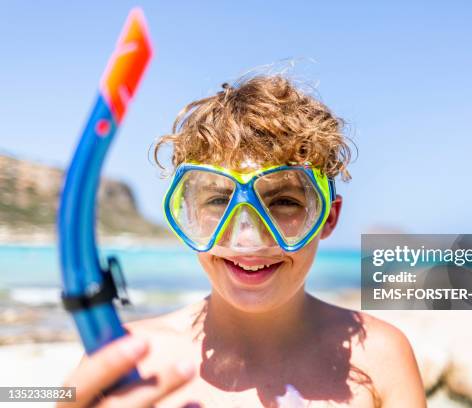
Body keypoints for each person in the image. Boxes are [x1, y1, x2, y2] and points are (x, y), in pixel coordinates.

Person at [59, 75, 426, 407]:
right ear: (188, 213)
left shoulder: (382, 359)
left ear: (327, 217)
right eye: (219, 200)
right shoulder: (127, 360)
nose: (248, 237)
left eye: (283, 202)